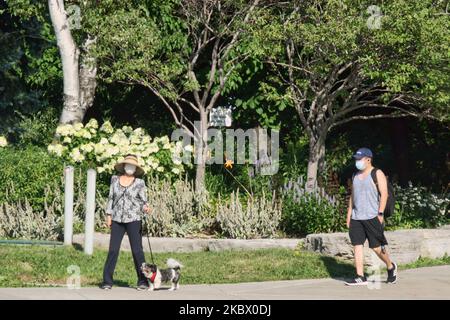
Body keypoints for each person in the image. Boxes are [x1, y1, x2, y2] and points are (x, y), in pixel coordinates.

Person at [345, 148, 398, 286]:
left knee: (376, 247)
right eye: (356, 159)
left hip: (372, 216)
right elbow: (353, 195)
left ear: (368, 159)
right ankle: (360, 276)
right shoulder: (355, 175)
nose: (357, 161)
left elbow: (384, 194)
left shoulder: (377, 173)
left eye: (359, 159)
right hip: (357, 217)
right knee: (357, 245)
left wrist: (380, 213)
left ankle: (390, 266)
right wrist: (349, 213)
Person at [101, 154, 151, 290]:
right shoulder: (114, 180)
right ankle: (107, 281)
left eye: (133, 166)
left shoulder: (140, 183)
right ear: (123, 166)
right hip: (117, 219)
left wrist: (146, 207)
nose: (130, 168)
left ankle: (143, 281)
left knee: (137, 251)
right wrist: (108, 215)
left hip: (134, 219)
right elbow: (110, 198)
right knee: (113, 250)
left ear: (136, 168)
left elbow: (143, 201)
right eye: (128, 165)